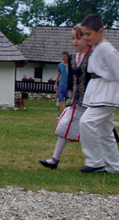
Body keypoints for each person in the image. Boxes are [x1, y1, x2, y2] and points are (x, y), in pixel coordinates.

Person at [78, 14, 119, 175]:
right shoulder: (97, 48)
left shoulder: (106, 49)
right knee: (104, 132)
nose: (86, 38)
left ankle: (95, 160)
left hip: (107, 92)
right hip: (98, 90)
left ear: (100, 31)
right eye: (84, 34)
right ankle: (115, 168)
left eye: (89, 34)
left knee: (87, 122)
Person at [39, 26, 91, 169]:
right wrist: (68, 92)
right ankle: (55, 159)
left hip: (90, 100)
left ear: (87, 38)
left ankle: (99, 161)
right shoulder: (72, 57)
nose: (75, 41)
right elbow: (69, 78)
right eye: (73, 38)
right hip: (75, 99)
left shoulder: (92, 56)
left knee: (96, 131)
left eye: (78, 38)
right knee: (65, 125)